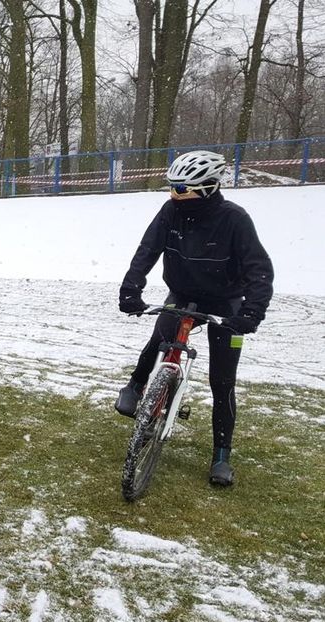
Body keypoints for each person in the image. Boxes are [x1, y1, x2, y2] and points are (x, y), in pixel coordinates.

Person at [116, 150, 274, 487]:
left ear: (208, 188)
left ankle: (221, 455)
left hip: (226, 302)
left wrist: (251, 312)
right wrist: (131, 289)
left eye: (182, 190)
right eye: (171, 188)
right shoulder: (170, 211)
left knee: (222, 380)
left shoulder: (235, 219)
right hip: (183, 294)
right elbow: (147, 250)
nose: (175, 196)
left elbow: (259, 270)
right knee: (160, 337)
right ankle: (136, 385)